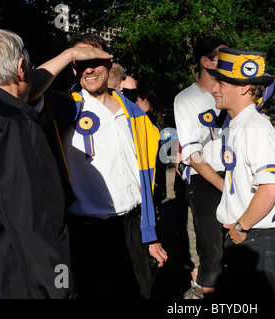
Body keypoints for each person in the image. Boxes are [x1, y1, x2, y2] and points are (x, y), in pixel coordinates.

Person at [32, 33, 168, 299]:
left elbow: (141, 179)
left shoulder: (136, 114)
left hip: (130, 227)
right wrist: (70, 54)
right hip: (84, 232)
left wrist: (150, 233)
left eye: (94, 60)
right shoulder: (65, 104)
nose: (89, 68)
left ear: (109, 62)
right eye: (80, 63)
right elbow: (26, 91)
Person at [0, 28, 76, 298]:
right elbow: (37, 221)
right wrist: (61, 290)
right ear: (22, 68)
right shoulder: (13, 124)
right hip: (13, 278)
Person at [208, 48, 275, 298]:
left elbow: (271, 188)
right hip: (249, 236)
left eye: (220, 82)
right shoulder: (238, 124)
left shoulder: (255, 128)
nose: (213, 89)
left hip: (255, 236)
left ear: (243, 87)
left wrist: (241, 228)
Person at [173, 36, 228, 298]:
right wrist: (225, 186)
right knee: (212, 252)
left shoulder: (234, 91)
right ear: (205, 62)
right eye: (222, 57)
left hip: (234, 177)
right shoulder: (185, 99)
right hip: (206, 180)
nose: (229, 63)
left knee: (241, 247)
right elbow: (193, 155)